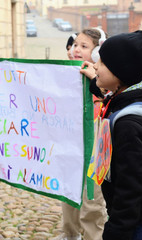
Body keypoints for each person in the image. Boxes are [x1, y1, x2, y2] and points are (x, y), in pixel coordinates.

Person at [80, 14, 142, 240]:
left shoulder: (130, 125)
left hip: (136, 225)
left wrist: (116, 231)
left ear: (122, 73)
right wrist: (95, 80)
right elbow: (114, 98)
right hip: (140, 218)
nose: (96, 65)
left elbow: (131, 189)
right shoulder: (137, 97)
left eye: (102, 63)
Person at [61, 28, 108, 240]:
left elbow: (110, 100)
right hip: (70, 145)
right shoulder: (65, 74)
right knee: (68, 192)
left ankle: (93, 236)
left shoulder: (103, 78)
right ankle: (70, 234)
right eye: (74, 45)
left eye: (83, 46)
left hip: (95, 149)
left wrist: (95, 80)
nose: (75, 50)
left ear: (97, 53)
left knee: (93, 199)